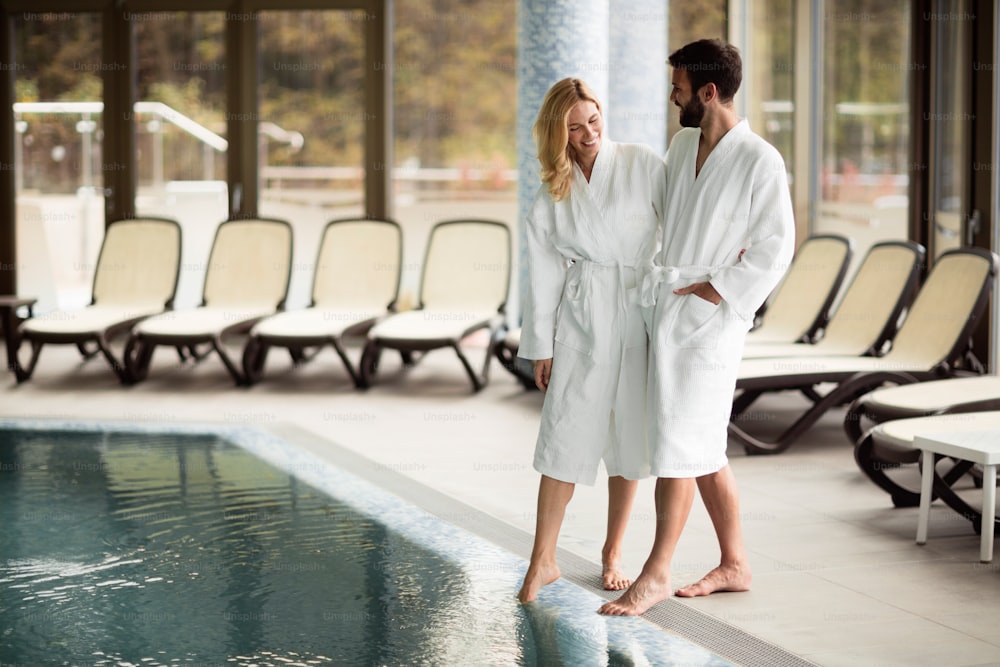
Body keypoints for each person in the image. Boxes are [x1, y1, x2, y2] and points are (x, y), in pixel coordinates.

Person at [599, 39, 795, 616]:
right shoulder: (684, 143)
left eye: (679, 88)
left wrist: (716, 290)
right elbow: (654, 211)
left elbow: (775, 248)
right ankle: (735, 563)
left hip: (710, 320)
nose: (671, 97)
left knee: (677, 444)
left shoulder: (761, 160)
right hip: (668, 306)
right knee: (701, 444)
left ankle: (656, 572)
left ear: (709, 93)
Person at [516, 77, 666, 603]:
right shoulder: (553, 189)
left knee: (629, 438)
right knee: (563, 434)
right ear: (557, 133)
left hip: (638, 309)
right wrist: (542, 345)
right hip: (583, 314)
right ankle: (543, 560)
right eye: (575, 127)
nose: (588, 134)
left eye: (594, 121)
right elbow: (544, 274)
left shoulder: (642, 162)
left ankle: (613, 552)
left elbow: (684, 220)